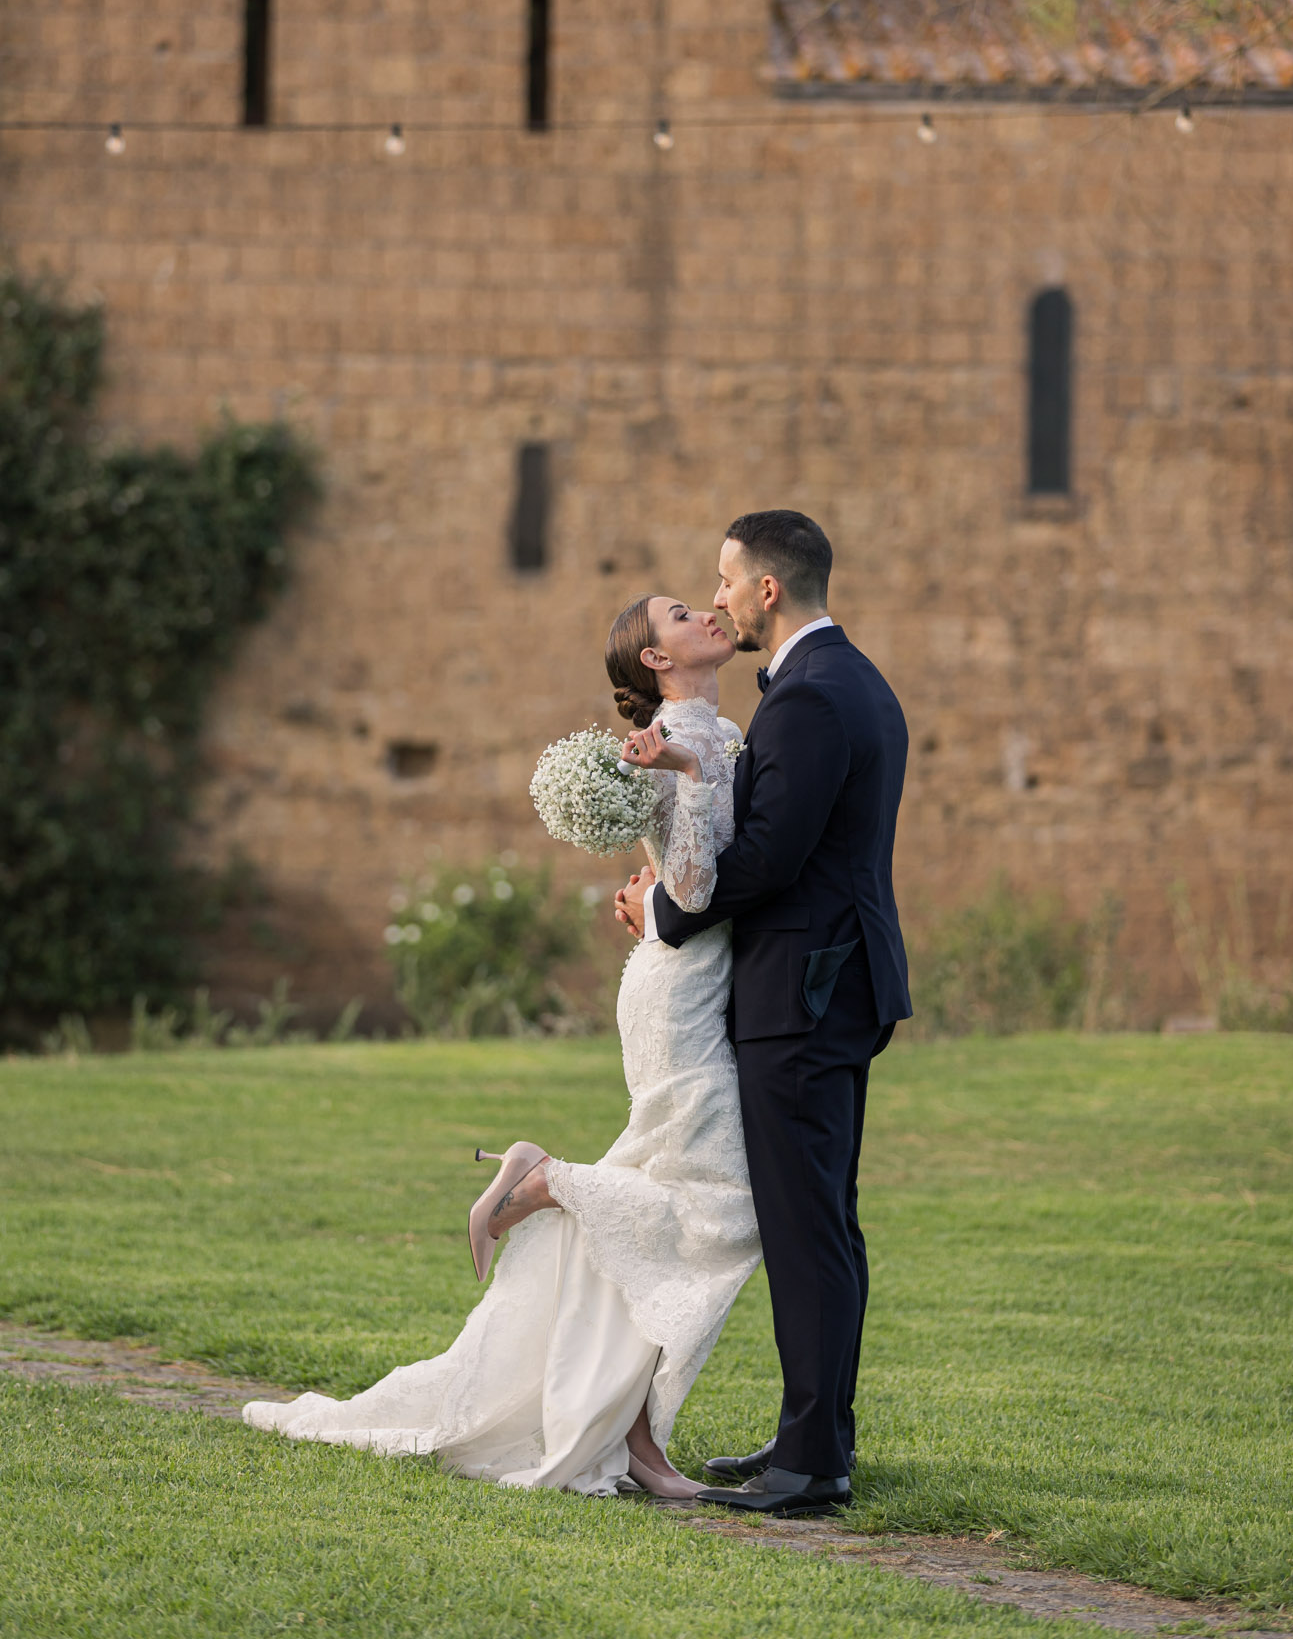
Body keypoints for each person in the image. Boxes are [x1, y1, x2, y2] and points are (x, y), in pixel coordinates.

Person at [243, 594, 760, 1501]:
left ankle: (635, 1433)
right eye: (683, 613)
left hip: (692, 976)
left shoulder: (716, 727)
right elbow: (689, 881)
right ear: (655, 659)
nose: (708, 611)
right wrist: (687, 777)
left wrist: (698, 782)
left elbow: (702, 873)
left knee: (683, 1196)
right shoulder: (671, 743)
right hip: (678, 986)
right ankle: (550, 1184)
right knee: (721, 1208)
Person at [617, 509, 911, 1518]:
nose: (719, 596)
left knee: (806, 1226)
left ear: (766, 590)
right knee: (822, 1219)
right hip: (832, 981)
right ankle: (811, 1434)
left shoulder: (809, 699)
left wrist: (659, 905)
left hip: (806, 990)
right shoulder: (851, 680)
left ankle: (812, 1464)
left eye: (726, 580)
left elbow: (770, 861)